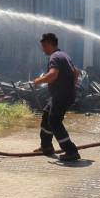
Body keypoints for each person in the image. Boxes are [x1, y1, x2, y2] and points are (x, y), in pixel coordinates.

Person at [32, 32, 82, 161]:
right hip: (62, 94)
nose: (42, 49)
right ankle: (46, 147)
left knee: (54, 121)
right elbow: (76, 71)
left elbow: (53, 74)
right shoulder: (63, 54)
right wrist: (73, 86)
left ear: (48, 43)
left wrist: (39, 80)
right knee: (46, 114)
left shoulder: (54, 57)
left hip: (62, 96)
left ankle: (71, 151)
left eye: (43, 46)